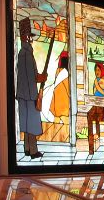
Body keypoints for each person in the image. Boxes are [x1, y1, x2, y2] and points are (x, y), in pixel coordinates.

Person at [16, 17, 47, 159]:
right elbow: (32, 77)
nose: (31, 40)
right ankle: (33, 151)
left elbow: (28, 75)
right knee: (32, 124)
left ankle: (27, 149)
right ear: (25, 37)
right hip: (29, 96)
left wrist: (39, 77)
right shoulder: (27, 54)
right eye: (29, 37)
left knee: (27, 123)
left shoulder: (22, 54)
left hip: (23, 95)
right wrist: (42, 78)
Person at [49, 51, 70, 125]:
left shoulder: (58, 71)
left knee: (57, 120)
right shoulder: (68, 73)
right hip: (65, 102)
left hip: (57, 101)